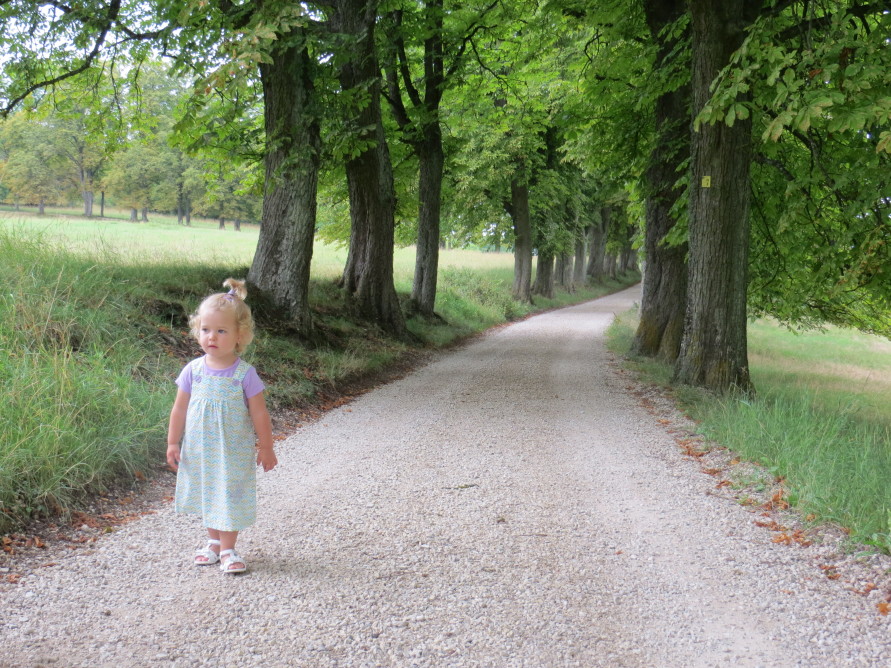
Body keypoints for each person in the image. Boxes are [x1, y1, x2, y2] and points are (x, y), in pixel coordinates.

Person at [166, 278, 277, 574]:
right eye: (205, 330)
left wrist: (266, 446)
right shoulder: (193, 370)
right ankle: (213, 543)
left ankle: (228, 549)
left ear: (240, 335)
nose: (211, 337)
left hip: (232, 452)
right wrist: (173, 442)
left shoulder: (245, 374)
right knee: (208, 491)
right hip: (201, 449)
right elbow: (179, 409)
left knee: (228, 494)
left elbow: (260, 413)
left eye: (221, 331)